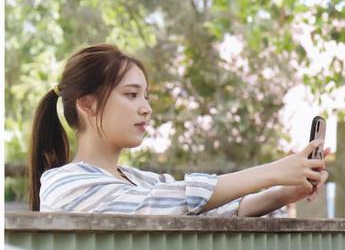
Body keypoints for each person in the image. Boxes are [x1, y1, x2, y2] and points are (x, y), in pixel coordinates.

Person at [29, 44, 328, 217]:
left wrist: (284, 192)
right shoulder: (65, 184)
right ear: (87, 104)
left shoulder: (141, 180)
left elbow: (209, 211)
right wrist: (272, 171)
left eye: (146, 96)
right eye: (131, 95)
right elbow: (170, 203)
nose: (145, 108)